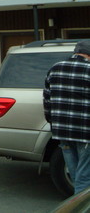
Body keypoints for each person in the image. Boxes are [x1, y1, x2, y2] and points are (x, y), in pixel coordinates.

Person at [44, 40, 90, 194]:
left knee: (77, 175)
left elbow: (47, 101)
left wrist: (53, 122)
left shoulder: (55, 68)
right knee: (85, 177)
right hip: (86, 133)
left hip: (62, 132)